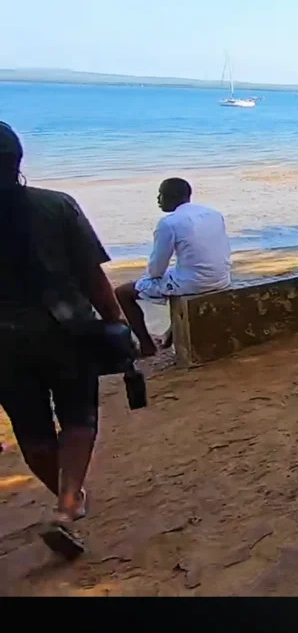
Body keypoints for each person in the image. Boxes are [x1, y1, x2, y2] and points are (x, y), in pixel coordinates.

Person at [0, 121, 126, 558]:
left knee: (32, 431)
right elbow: (93, 276)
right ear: (18, 162)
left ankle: (67, 499)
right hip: (67, 329)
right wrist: (116, 320)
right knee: (77, 418)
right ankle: (67, 503)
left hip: (4, 345)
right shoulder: (57, 206)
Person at [114, 178, 231, 356]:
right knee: (175, 275)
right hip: (222, 278)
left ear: (171, 197)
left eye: (160, 195)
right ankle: (170, 336)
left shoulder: (168, 223)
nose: (158, 200)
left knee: (123, 292)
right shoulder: (213, 213)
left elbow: (156, 268)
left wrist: (151, 277)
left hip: (195, 283)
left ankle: (147, 345)